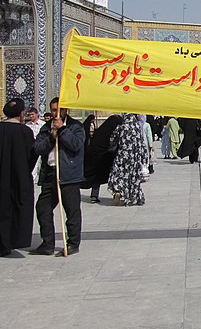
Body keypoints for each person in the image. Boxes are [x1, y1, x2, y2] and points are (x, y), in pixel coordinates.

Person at [31, 97, 85, 256]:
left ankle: (73, 243)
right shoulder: (46, 128)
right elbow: (38, 148)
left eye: (59, 109)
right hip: (50, 174)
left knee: (72, 211)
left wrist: (63, 131)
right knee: (43, 207)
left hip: (69, 175)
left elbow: (76, 145)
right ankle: (48, 243)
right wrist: (51, 137)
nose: (56, 113)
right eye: (53, 110)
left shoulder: (75, 127)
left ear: (65, 109)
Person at [0, 98, 37, 257]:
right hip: (18, 177)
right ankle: (10, 242)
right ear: (21, 114)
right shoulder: (25, 132)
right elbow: (32, 156)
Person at [108, 113, 148, 206]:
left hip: (122, 156)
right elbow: (142, 143)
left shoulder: (121, 127)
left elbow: (112, 139)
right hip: (134, 158)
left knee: (118, 175)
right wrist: (144, 158)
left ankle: (118, 190)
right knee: (132, 177)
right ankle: (132, 196)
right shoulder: (137, 127)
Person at [82, 114, 123, 203]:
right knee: (98, 177)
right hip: (102, 158)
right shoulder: (111, 132)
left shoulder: (101, 132)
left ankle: (94, 196)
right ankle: (115, 193)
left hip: (95, 157)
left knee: (95, 177)